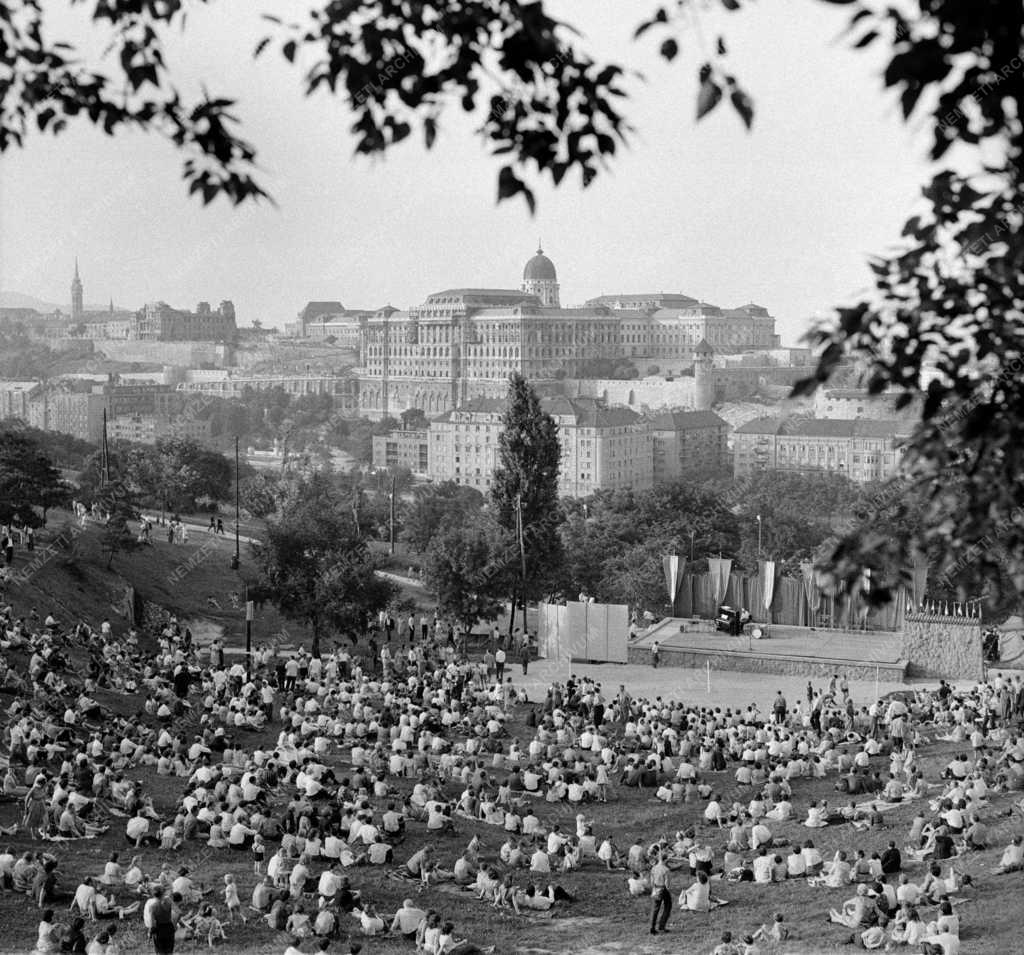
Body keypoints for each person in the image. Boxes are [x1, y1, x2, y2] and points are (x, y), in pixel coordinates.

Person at [649, 850, 671, 934]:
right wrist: (668, 890)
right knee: (667, 906)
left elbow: (651, 881)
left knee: (655, 909)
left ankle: (652, 928)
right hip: (663, 889)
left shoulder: (653, 868)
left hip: (655, 888)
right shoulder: (666, 869)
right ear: (666, 859)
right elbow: (667, 884)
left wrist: (654, 889)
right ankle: (662, 926)